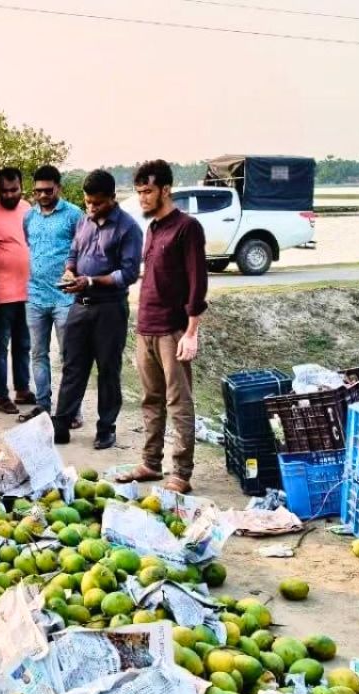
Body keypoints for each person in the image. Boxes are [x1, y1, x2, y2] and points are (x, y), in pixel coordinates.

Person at [121, 160, 208, 494]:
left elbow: (197, 282)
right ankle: (151, 462)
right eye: (139, 191)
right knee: (150, 399)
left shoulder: (187, 228)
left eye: (148, 191)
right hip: (146, 327)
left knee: (179, 402)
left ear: (166, 190)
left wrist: (191, 331)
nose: (142, 198)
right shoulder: (153, 228)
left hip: (174, 330)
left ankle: (181, 473)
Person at [51, 170, 143, 450]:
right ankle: (62, 424)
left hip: (110, 309)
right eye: (88, 202)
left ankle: (106, 429)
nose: (92, 207)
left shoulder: (128, 229)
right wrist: (69, 271)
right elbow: (73, 253)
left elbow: (127, 274)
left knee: (108, 370)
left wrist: (90, 281)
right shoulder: (83, 221)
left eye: (98, 203)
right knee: (72, 367)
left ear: (112, 199)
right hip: (79, 306)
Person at [21, 165, 85, 426]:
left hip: (64, 298)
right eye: (38, 191)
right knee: (38, 354)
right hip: (35, 296)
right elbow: (30, 245)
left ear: (58, 187)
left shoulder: (74, 215)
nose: (43, 196)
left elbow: (84, 249)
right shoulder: (29, 217)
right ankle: (43, 407)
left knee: (69, 356)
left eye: (48, 190)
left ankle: (72, 411)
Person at [0, 167, 35, 415]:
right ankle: (1, 396)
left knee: (23, 343)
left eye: (14, 190)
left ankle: (22, 389)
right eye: (4, 191)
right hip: (2, 294)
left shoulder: (29, 210)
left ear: (21, 187)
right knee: (0, 346)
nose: (10, 195)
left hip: (28, 292)